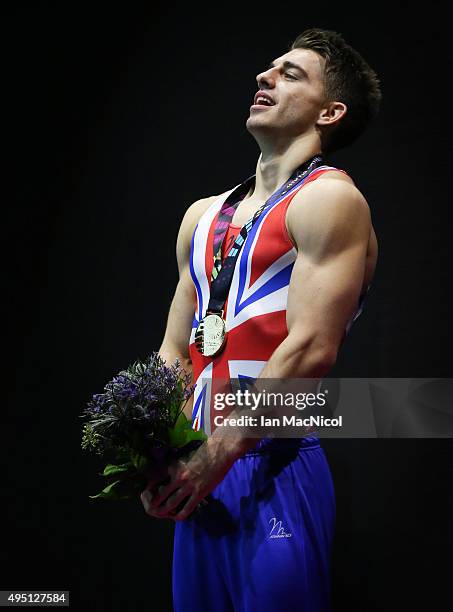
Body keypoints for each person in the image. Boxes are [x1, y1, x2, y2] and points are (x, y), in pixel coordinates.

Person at [140, 28, 381, 611]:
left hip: (272, 465)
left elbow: (309, 351)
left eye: (290, 73)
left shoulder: (330, 200)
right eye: (269, 68)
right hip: (202, 466)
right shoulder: (202, 216)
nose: (263, 77)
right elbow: (174, 350)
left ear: (331, 111)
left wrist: (214, 457)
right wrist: (157, 455)